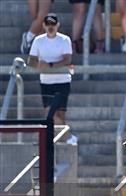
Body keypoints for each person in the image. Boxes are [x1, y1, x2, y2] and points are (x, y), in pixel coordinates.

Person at [28, 13, 77, 145]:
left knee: (60, 115)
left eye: (53, 25)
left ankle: (61, 143)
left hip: (62, 81)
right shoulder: (38, 41)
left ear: (57, 26)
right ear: (44, 25)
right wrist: (39, 65)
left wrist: (49, 66)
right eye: (48, 24)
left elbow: (67, 59)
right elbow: (31, 61)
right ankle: (68, 138)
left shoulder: (64, 40)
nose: (51, 27)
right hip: (46, 82)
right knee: (50, 114)